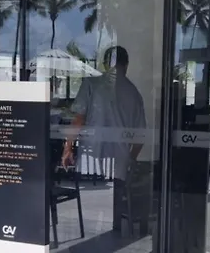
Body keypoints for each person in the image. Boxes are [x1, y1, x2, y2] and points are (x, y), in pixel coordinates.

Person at [61, 46, 146, 182]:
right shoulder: (134, 94)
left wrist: (68, 148)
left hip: (89, 161)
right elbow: (140, 136)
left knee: (89, 194)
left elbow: (78, 120)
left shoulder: (91, 84)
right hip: (119, 165)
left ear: (106, 64)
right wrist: (131, 159)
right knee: (116, 194)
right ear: (126, 65)